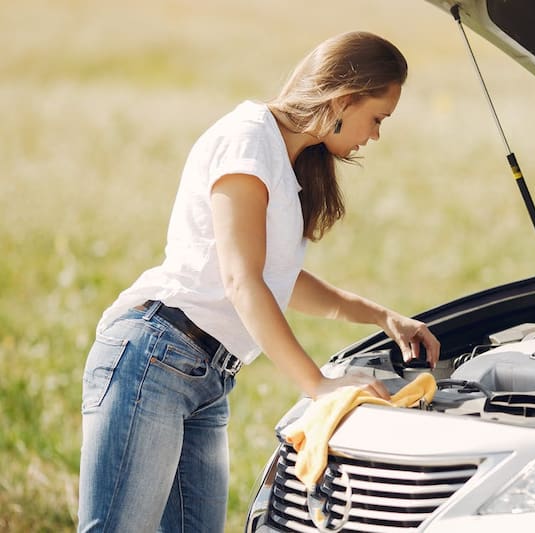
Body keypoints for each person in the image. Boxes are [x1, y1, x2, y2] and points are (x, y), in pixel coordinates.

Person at [78, 31, 440, 532]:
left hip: (206, 379)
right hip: (154, 359)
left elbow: (278, 279)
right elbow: (241, 280)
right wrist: (318, 385)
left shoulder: (288, 161)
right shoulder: (247, 140)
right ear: (345, 98)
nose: (375, 135)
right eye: (377, 118)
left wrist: (382, 316)